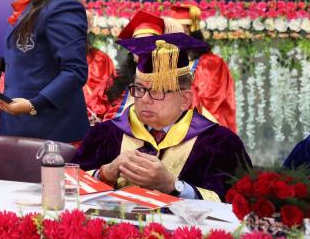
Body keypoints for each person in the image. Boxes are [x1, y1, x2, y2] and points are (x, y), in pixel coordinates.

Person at [73, 33, 251, 201]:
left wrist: (173, 186)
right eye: (139, 89)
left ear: (185, 99)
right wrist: (105, 173)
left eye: (157, 91)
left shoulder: (220, 144)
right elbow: (68, 184)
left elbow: (239, 202)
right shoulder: (106, 134)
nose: (144, 99)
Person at [0, 0, 88, 144]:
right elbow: (36, 60)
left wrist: (35, 104)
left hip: (50, 131)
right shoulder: (30, 6)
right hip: (18, 125)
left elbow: (75, 71)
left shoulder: (62, 8)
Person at [166, 2, 237, 132]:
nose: (177, 38)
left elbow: (211, 102)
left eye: (183, 32)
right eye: (172, 33)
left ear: (192, 33)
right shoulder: (162, 62)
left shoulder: (211, 64)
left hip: (202, 129)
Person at [102, 10, 168, 121]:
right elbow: (99, 108)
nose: (140, 49)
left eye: (147, 44)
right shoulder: (118, 79)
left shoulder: (172, 82)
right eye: (136, 44)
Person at [83, 10, 116, 125]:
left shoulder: (102, 59)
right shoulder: (55, 60)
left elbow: (116, 97)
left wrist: (105, 121)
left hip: (98, 126)